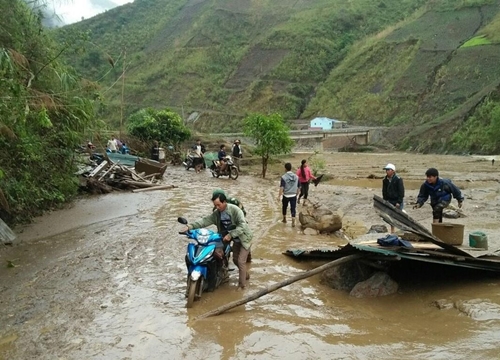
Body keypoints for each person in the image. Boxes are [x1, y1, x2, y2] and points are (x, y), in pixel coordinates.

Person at [184, 192, 253, 290]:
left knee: (241, 261)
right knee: (234, 260)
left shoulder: (236, 210)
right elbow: (205, 220)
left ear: (224, 202)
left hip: (244, 238)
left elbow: (242, 225)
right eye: (215, 205)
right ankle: (245, 274)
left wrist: (230, 235)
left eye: (218, 205)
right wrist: (190, 226)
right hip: (234, 239)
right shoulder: (217, 213)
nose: (217, 207)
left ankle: (242, 286)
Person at [212, 189, 251, 262]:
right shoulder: (217, 207)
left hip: (237, 224)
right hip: (225, 226)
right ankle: (225, 260)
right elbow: (216, 218)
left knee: (244, 241)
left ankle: (247, 257)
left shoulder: (234, 202)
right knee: (221, 242)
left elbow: (242, 213)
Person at [382, 163, 405, 233]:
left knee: (399, 216)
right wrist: (385, 200)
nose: (387, 171)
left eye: (388, 170)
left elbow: (401, 191)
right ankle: (392, 230)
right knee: (390, 216)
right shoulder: (385, 180)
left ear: (393, 171)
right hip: (389, 200)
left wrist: (399, 201)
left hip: (397, 200)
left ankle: (402, 229)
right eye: (386, 170)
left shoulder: (398, 179)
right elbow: (384, 191)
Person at [279, 162, 300, 227]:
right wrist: (297, 194)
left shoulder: (283, 177)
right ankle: (293, 219)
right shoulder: (296, 177)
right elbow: (299, 187)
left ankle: (284, 219)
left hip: (286, 195)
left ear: (285, 168)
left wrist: (279, 196)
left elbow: (282, 187)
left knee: (284, 207)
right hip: (293, 195)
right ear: (291, 168)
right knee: (293, 208)